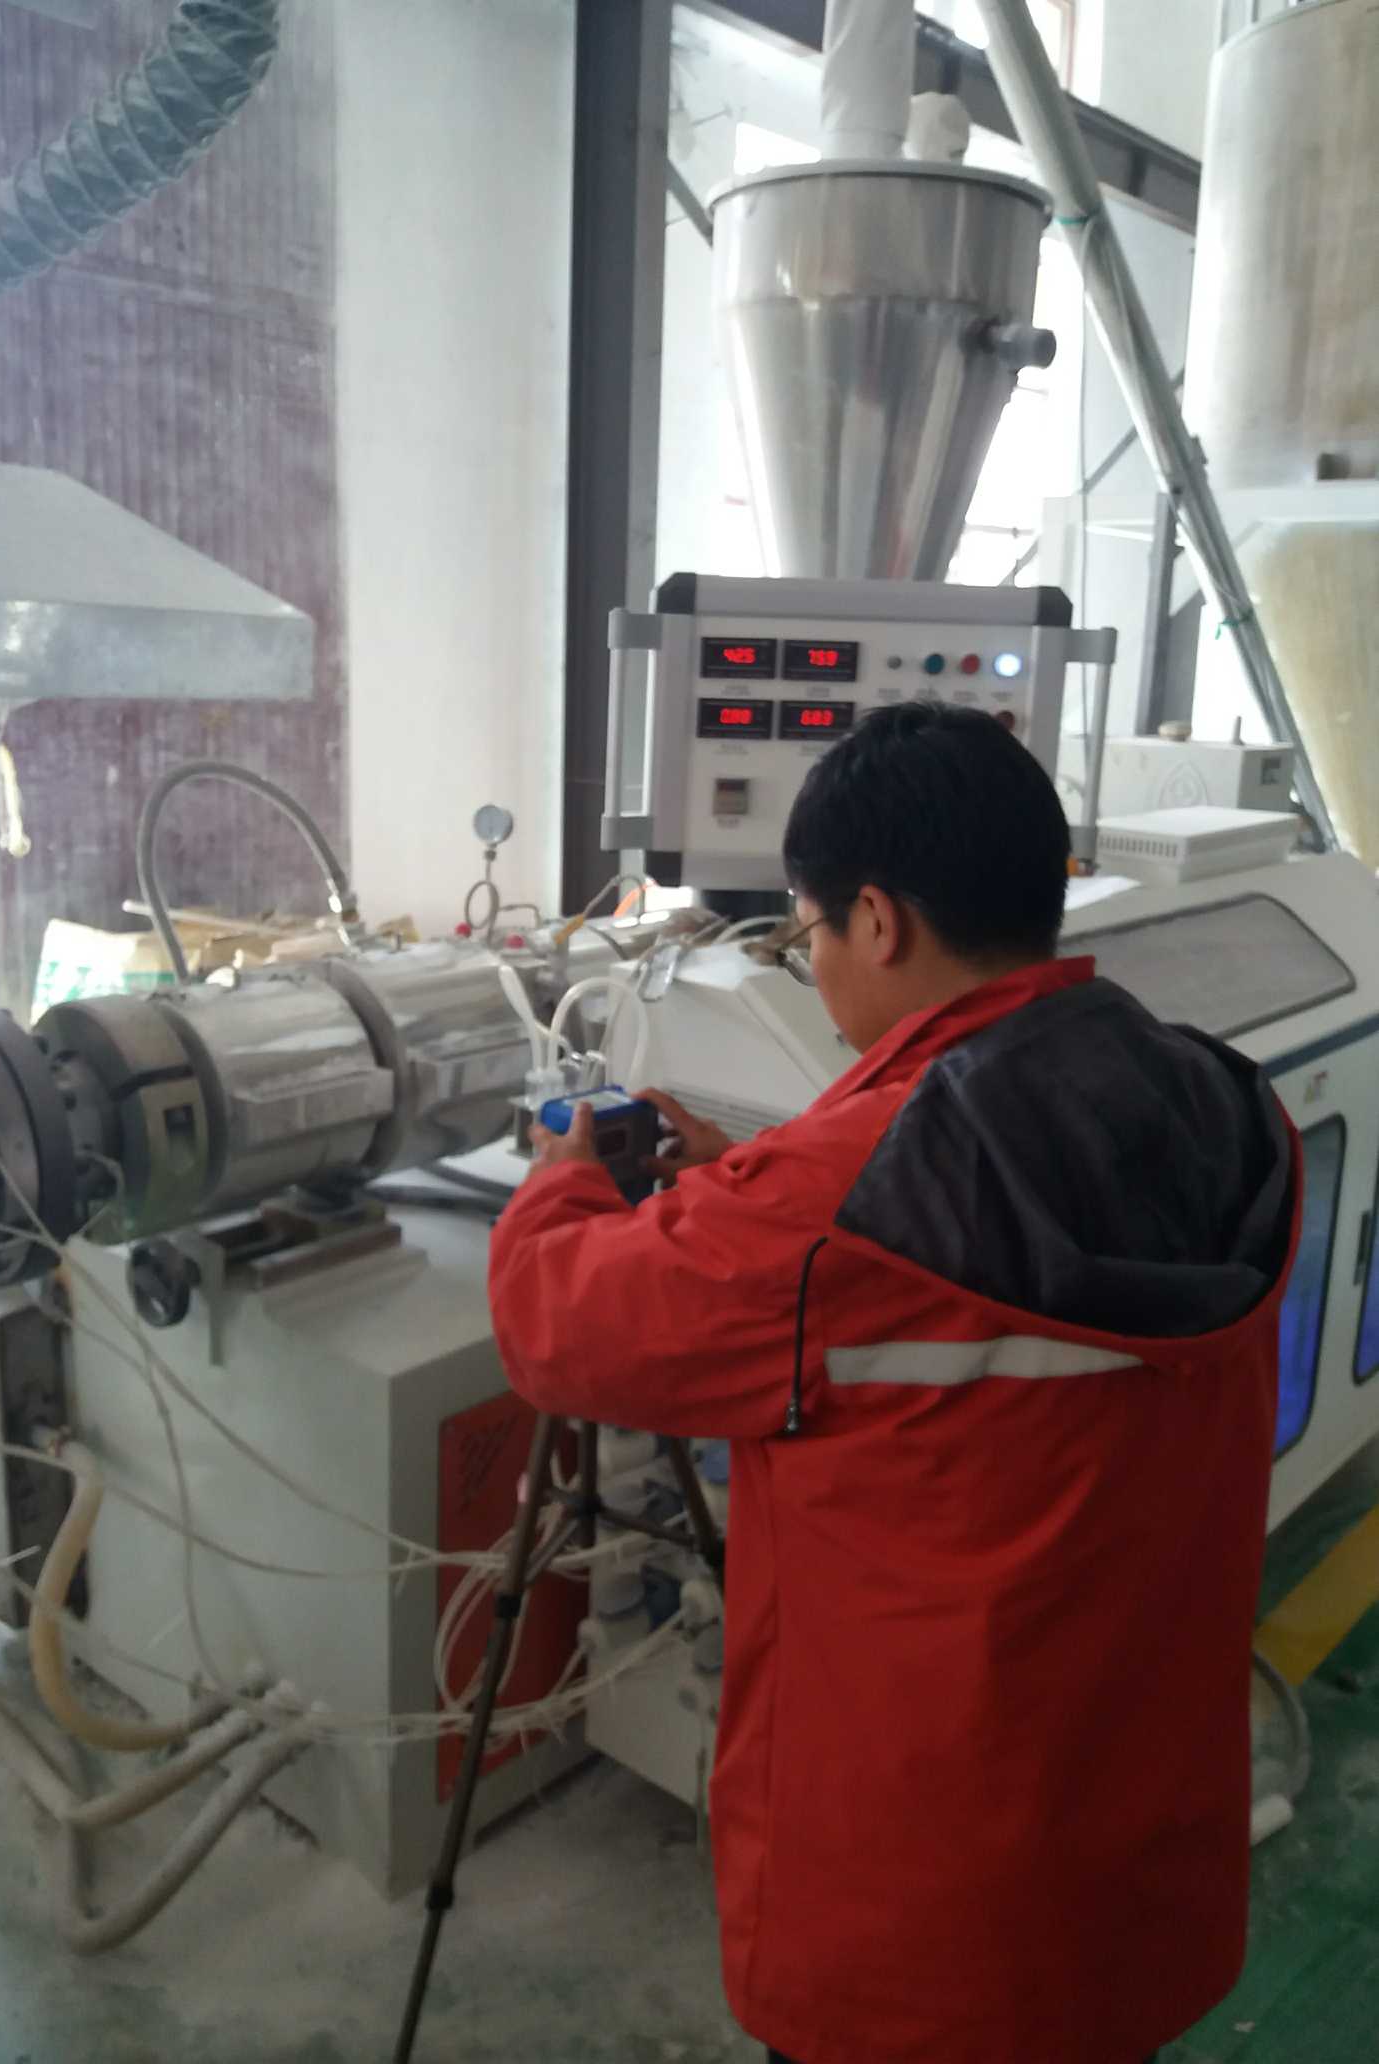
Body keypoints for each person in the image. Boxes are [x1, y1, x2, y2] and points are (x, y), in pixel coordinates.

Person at [488, 701, 1300, 2064]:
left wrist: (564, 1183)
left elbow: (551, 1324)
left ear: (877, 921)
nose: (810, 963)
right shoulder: (1218, 1101)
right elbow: (956, 1205)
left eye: (805, 933)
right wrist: (751, 1176)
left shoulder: (836, 1205)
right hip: (1135, 1864)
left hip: (923, 1929)